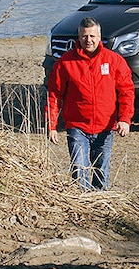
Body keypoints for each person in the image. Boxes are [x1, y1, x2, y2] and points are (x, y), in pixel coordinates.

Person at [46, 16, 134, 190]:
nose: (89, 40)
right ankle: (82, 207)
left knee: (101, 170)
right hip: (77, 126)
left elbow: (126, 91)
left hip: (105, 126)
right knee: (79, 169)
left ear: (99, 37)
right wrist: (51, 125)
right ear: (79, 38)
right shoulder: (65, 63)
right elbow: (54, 95)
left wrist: (125, 118)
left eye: (92, 36)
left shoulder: (114, 60)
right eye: (85, 36)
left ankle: (101, 208)